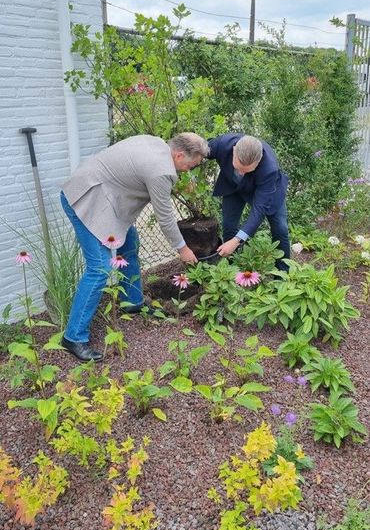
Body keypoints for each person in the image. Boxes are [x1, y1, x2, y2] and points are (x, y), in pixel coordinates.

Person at [60, 132, 209, 362]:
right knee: (99, 269)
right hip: (87, 198)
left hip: (107, 197)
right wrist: (183, 249)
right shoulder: (161, 171)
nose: (188, 170)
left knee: (129, 246)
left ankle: (132, 302)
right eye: (190, 165)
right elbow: (165, 217)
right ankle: (74, 337)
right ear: (179, 155)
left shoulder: (158, 144)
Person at [208, 133, 290, 269]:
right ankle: (232, 270)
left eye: (247, 171)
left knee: (280, 229)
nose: (241, 174)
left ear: (259, 161)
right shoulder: (222, 144)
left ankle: (283, 272)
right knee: (229, 227)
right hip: (233, 189)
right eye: (238, 168)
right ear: (234, 150)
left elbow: (259, 211)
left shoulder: (269, 169)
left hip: (267, 193)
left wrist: (237, 240)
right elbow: (197, 150)